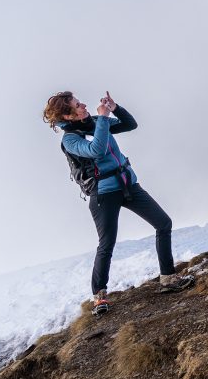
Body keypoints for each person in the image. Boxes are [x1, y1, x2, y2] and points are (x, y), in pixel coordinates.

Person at [43, 91, 192, 315]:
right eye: (77, 105)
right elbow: (97, 150)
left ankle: (168, 278)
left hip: (128, 185)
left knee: (163, 223)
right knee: (107, 244)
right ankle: (99, 296)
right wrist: (102, 119)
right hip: (103, 194)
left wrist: (114, 108)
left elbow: (130, 124)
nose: (83, 104)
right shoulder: (70, 140)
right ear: (68, 116)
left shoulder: (94, 122)